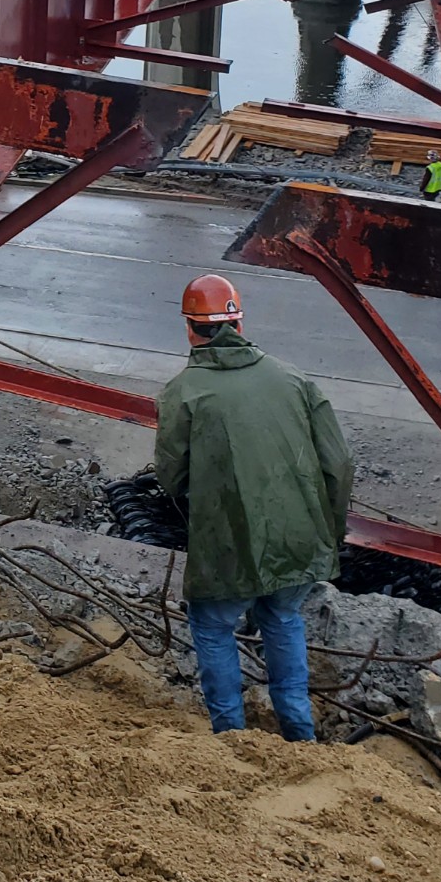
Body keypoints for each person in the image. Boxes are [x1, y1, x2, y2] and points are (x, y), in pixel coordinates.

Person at [154, 274, 354, 743]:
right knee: (282, 618)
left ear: (190, 329)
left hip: (228, 544)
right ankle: (300, 734)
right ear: (239, 323)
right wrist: (328, 533)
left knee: (213, 626)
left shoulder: (182, 392)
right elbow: (339, 465)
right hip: (298, 536)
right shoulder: (294, 379)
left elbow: (172, 478)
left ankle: (232, 738)